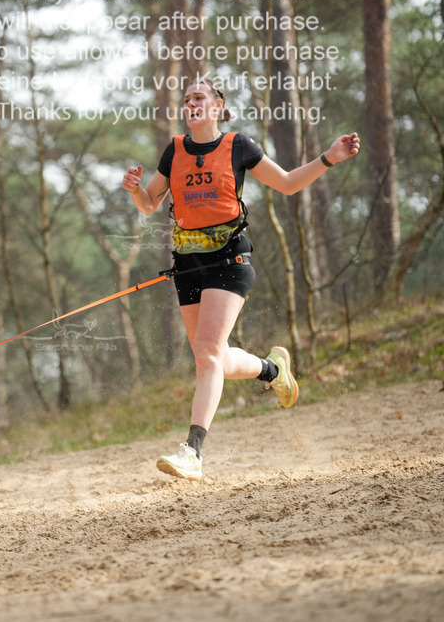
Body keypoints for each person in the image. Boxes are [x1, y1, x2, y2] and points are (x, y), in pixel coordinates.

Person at [122, 77, 360, 481]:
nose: (191, 102)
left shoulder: (239, 146)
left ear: (217, 106)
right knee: (209, 355)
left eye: (199, 97)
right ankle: (272, 370)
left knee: (209, 354)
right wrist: (133, 191)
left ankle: (192, 451)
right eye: (187, 99)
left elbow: (286, 183)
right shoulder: (174, 151)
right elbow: (149, 204)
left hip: (229, 258)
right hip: (188, 264)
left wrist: (329, 158)